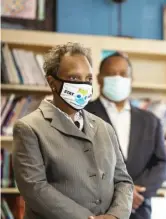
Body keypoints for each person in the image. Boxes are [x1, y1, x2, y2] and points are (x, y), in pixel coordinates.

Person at [12, 43, 134, 219]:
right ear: (52, 83)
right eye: (75, 79)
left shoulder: (104, 128)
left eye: (88, 79)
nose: (83, 86)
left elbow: (123, 180)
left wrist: (115, 216)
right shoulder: (29, 128)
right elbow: (35, 188)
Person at [85, 52, 166, 219]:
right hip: (98, 211)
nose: (118, 78)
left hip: (139, 210)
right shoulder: (83, 115)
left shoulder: (150, 121)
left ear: (131, 79)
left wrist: (136, 192)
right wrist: (121, 194)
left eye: (123, 74)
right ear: (99, 79)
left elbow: (161, 163)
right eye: (111, 74)